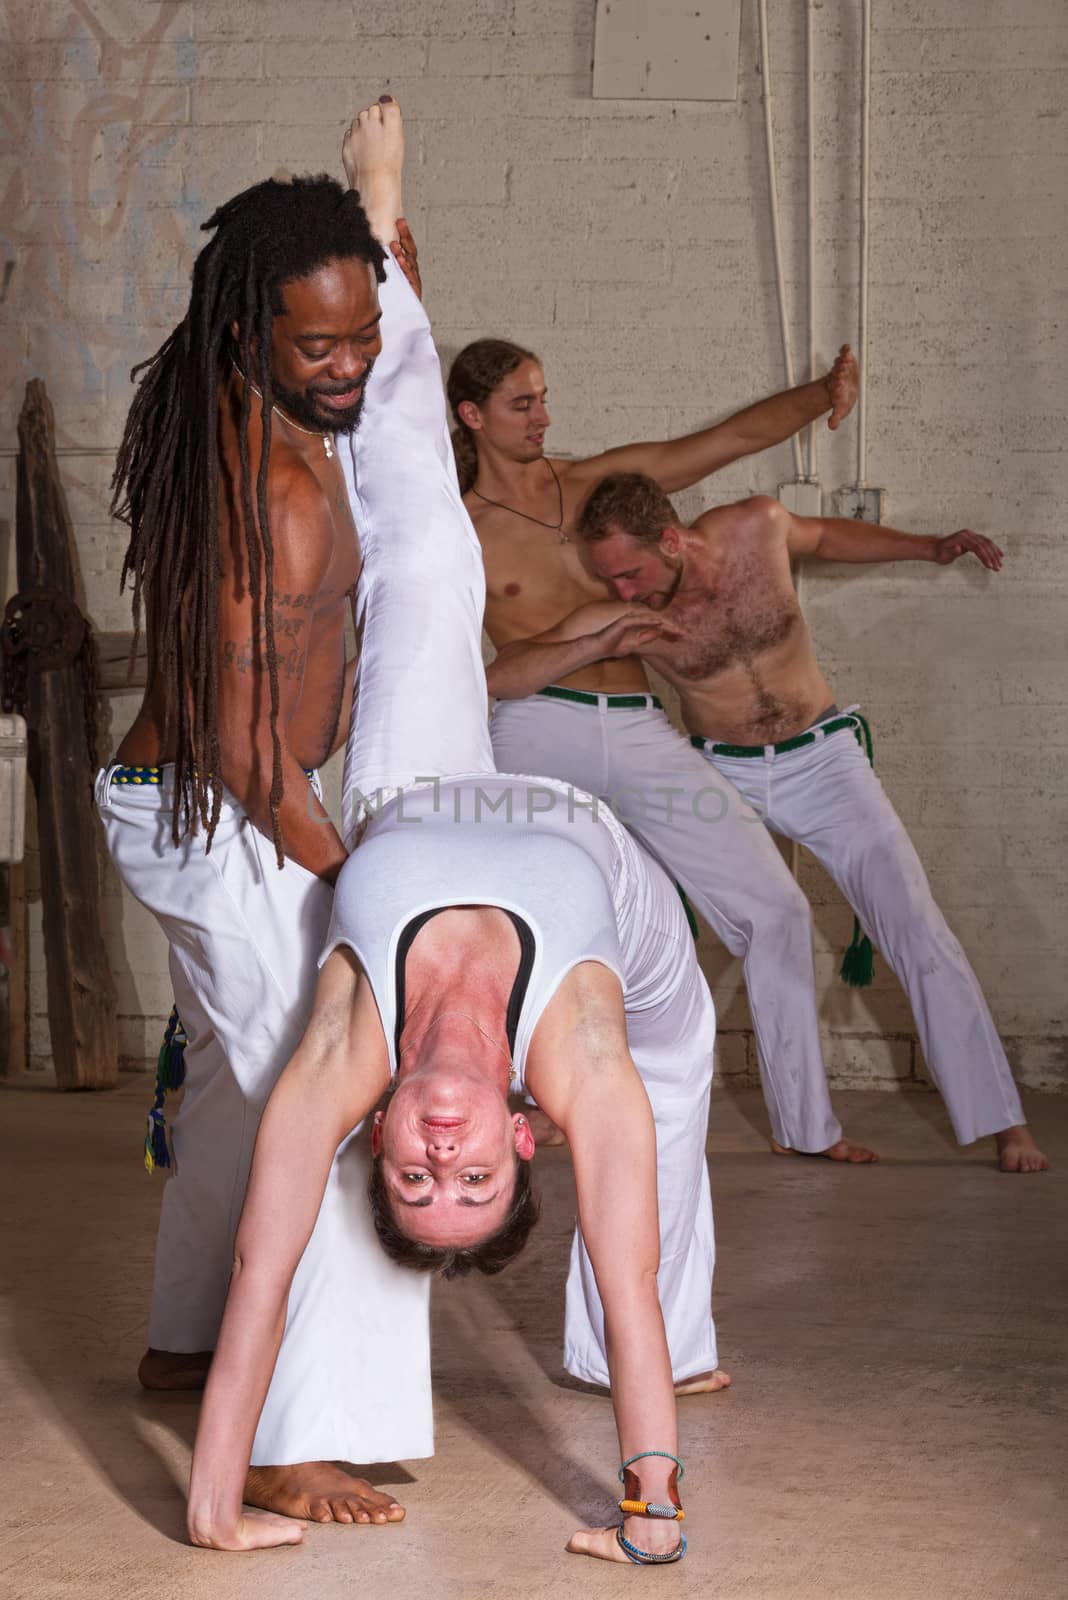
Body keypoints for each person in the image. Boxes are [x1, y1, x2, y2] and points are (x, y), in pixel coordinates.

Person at [187, 100, 723, 1567]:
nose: (437, 1158)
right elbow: (615, 1277)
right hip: (613, 906)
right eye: (472, 1177)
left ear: (378, 1135)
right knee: (671, 1111)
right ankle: (378, 232)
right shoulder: (580, 1075)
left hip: (418, 792)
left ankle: (368, 257)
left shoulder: (348, 1056)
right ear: (521, 1136)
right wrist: (651, 1509)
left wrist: (211, 1502)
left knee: (416, 532)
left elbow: (264, 1257)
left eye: (412, 1181)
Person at [97, 147, 434, 1523]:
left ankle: (185, 1342)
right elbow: (245, 750)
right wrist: (370, 892)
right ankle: (295, 1432)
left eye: (363, 334)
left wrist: (388, 212)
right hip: (220, 810)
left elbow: (383, 318)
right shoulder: (268, 498)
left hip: (228, 801)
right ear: (251, 335)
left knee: (243, 1092)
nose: (351, 363)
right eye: (324, 346)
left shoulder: (292, 402)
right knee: (337, 1096)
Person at [451, 336, 885, 1163]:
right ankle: (491, 1109)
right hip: (538, 723)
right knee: (511, 920)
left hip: (641, 721)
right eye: (521, 404)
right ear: (472, 416)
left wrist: (820, 393)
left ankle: (808, 1127)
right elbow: (473, 662)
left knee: (777, 908)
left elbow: (720, 442)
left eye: (544, 397)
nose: (544, 417)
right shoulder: (459, 524)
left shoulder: (588, 486)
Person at [554, 471, 1047, 1174]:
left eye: (630, 574)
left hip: (824, 759)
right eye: (611, 582)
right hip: (724, 772)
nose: (623, 593)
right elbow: (541, 650)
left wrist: (930, 546)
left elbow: (827, 537)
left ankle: (1004, 1124)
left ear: (670, 538)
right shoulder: (624, 612)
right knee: (768, 930)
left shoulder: (755, 526)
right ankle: (805, 1126)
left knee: (914, 921)